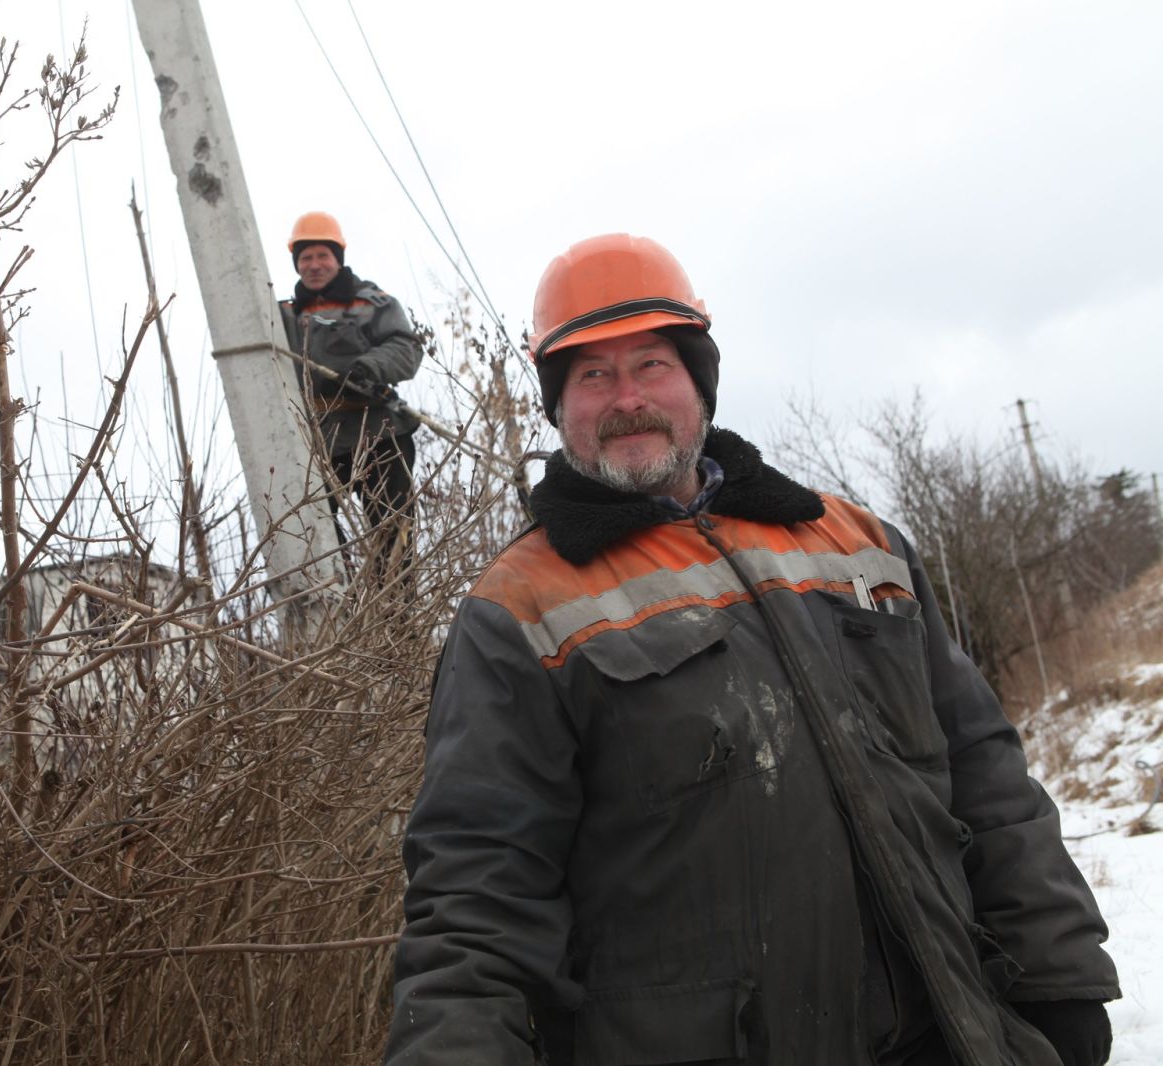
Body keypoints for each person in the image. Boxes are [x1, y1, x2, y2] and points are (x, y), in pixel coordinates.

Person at [385, 234, 1119, 1065]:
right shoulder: (521, 609)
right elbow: (476, 896)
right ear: (559, 406)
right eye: (593, 374)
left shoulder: (856, 542)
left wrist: (1060, 978)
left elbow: (988, 777)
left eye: (653, 364)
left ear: (700, 381)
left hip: (949, 1030)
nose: (627, 397)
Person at [279, 211, 422, 571]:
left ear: (338, 258)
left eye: (322, 256)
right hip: (318, 442)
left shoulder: (372, 302)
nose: (314, 265)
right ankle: (344, 615)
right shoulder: (282, 315)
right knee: (315, 539)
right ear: (297, 264)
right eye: (305, 258)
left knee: (394, 539)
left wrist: (366, 368)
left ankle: (396, 622)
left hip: (378, 434)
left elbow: (406, 349)